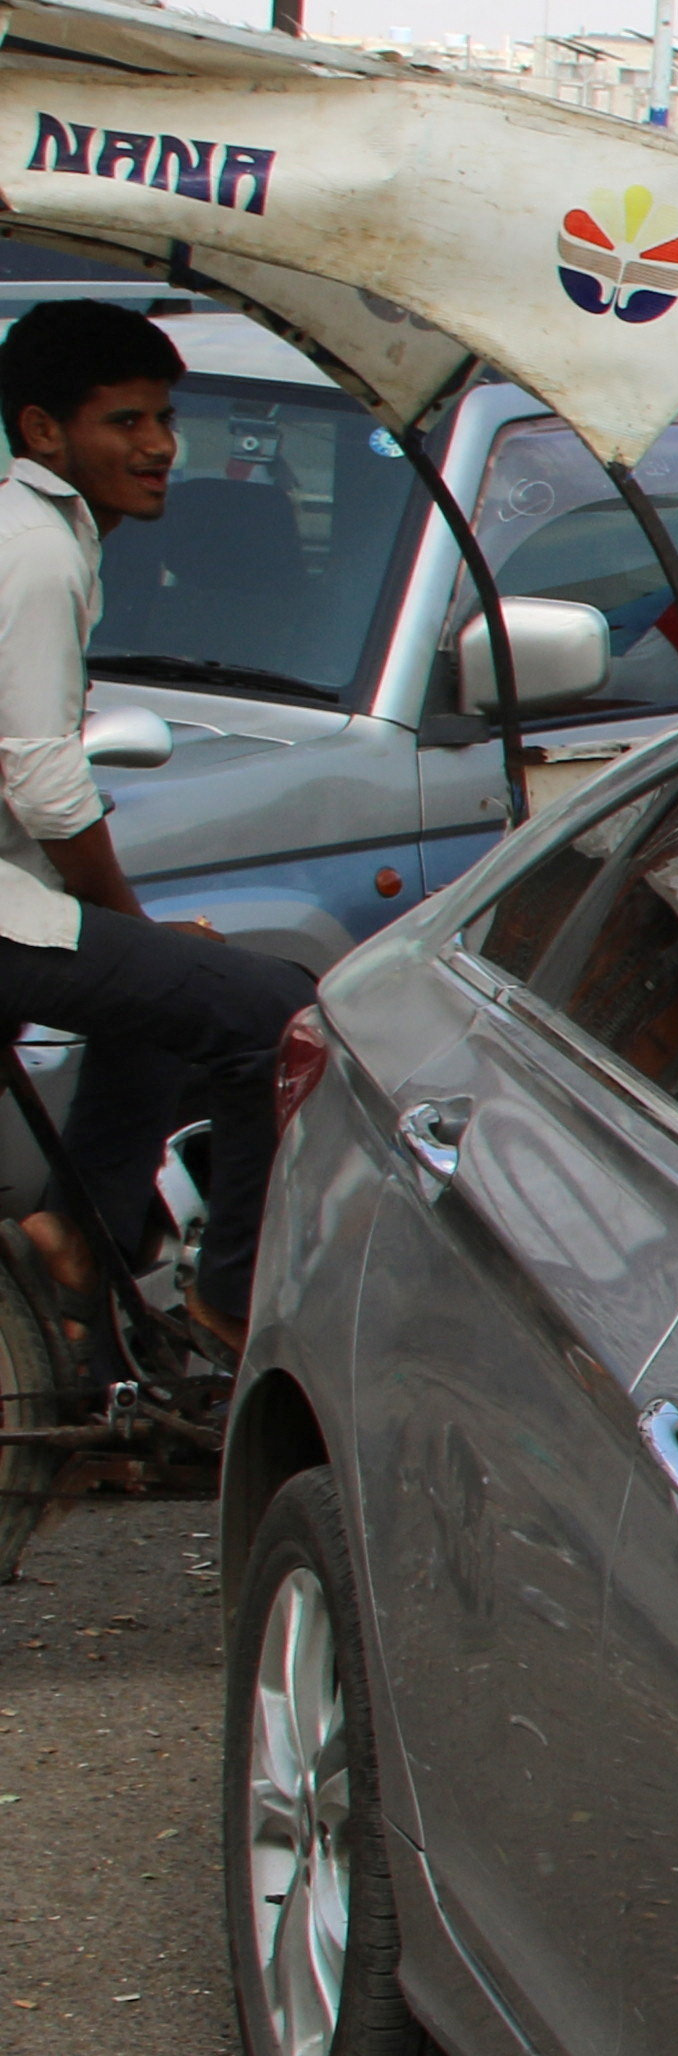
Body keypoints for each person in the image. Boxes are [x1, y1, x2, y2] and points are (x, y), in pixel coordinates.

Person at [0, 307, 317, 1350]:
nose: (158, 447)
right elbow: (48, 786)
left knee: (159, 1008)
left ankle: (79, 1258)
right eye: (124, 421)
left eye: (165, 418)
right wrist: (131, 924)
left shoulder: (42, 534)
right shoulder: (36, 551)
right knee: (275, 1012)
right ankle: (234, 1299)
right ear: (45, 432)